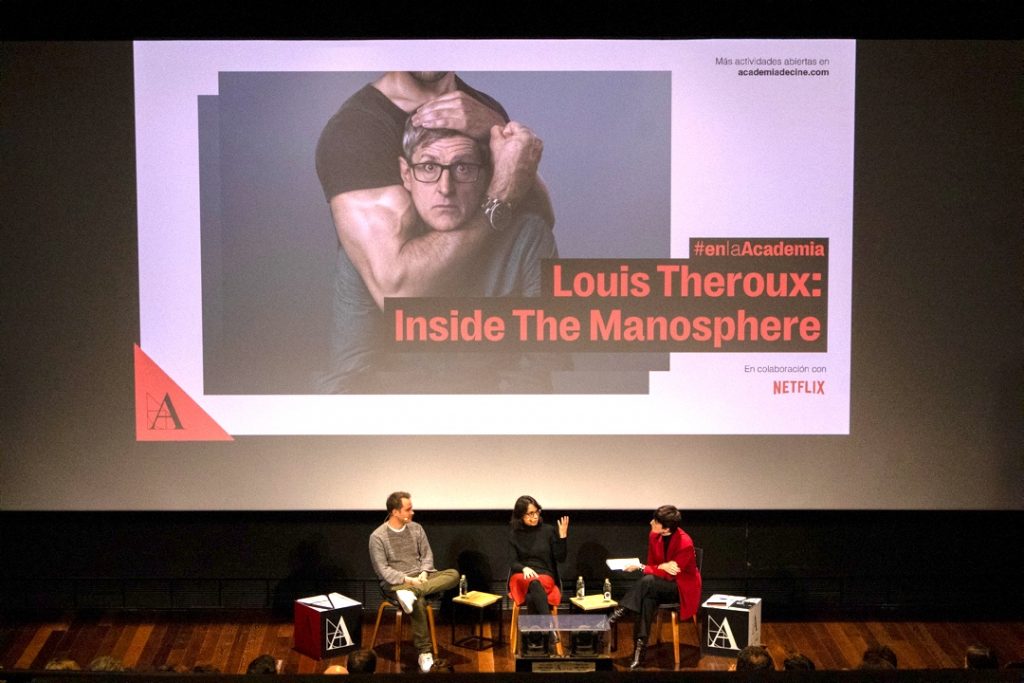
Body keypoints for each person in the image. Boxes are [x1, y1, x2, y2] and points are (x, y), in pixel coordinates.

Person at [315, 71, 553, 393]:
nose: (445, 187)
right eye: (428, 167)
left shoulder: (482, 110)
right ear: (406, 173)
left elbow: (536, 218)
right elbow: (396, 292)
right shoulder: (356, 129)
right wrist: (497, 199)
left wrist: (496, 127)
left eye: (464, 167)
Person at [368, 491, 459, 673]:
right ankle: (424, 653)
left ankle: (412, 593)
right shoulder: (377, 537)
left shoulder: (416, 528)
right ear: (395, 512)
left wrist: (424, 573)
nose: (412, 512)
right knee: (418, 602)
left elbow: (427, 556)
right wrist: (408, 580)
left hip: (420, 579)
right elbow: (383, 571)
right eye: (408, 509)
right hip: (396, 583)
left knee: (454, 574)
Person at [607, 505, 701, 670]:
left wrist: (643, 567)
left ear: (666, 529)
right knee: (647, 599)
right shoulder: (654, 535)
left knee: (648, 581)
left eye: (656, 522)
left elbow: (670, 575)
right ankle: (639, 656)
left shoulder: (685, 543)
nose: (651, 522)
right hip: (658, 584)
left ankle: (618, 613)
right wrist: (660, 567)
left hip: (680, 588)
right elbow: (653, 565)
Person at [508, 495, 569, 651]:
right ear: (520, 515)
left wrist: (562, 537)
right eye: (530, 514)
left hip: (545, 575)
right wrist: (524, 568)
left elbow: (560, 558)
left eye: (537, 512)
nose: (535, 516)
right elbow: (512, 562)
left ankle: (535, 639)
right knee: (532, 583)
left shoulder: (548, 531)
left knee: (533, 591)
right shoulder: (514, 534)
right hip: (521, 576)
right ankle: (549, 630)